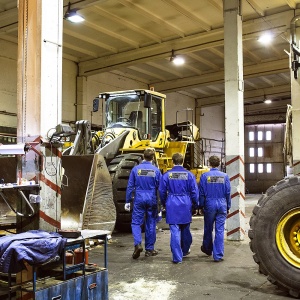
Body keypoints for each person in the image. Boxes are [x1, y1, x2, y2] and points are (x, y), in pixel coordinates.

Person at [159, 152, 199, 264]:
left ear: (172, 161)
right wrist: (195, 204)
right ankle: (185, 251)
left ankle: (177, 257)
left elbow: (162, 191)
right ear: (182, 161)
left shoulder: (166, 175)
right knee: (186, 228)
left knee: (175, 230)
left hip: (172, 202)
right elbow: (194, 192)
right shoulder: (189, 175)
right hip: (186, 203)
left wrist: (164, 203)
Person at [125, 148, 161, 259]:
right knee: (151, 223)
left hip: (139, 198)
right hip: (152, 198)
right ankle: (149, 250)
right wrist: (160, 203)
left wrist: (127, 201)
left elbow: (130, 186)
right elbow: (160, 188)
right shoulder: (156, 171)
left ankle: (138, 244)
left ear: (143, 157)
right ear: (153, 158)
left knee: (136, 223)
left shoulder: (136, 170)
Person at [199, 155, 231, 262]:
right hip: (222, 203)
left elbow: (202, 193)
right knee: (220, 229)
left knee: (208, 228)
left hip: (209, 203)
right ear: (219, 164)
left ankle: (208, 249)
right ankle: (218, 255)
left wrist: (201, 205)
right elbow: (227, 193)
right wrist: (228, 206)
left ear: (209, 164)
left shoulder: (204, 176)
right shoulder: (225, 176)